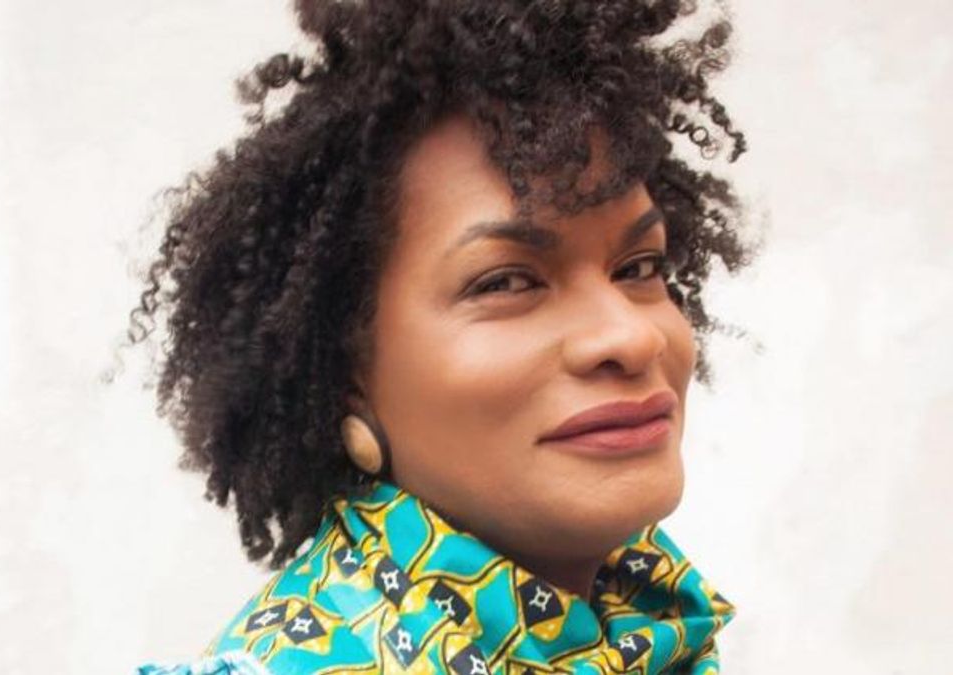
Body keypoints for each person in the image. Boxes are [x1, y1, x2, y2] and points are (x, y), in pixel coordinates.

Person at [129, 0, 759, 672]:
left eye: (639, 268)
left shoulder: (651, 632)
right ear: (346, 375)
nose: (631, 337)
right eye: (506, 282)